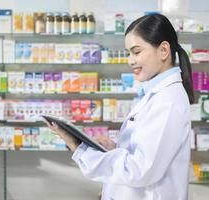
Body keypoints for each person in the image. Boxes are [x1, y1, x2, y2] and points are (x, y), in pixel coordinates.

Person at [46, 13, 194, 200]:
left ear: (164, 50)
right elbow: (150, 154)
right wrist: (115, 148)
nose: (130, 60)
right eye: (128, 53)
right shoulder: (156, 94)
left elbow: (142, 170)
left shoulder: (168, 100)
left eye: (137, 51)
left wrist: (79, 148)